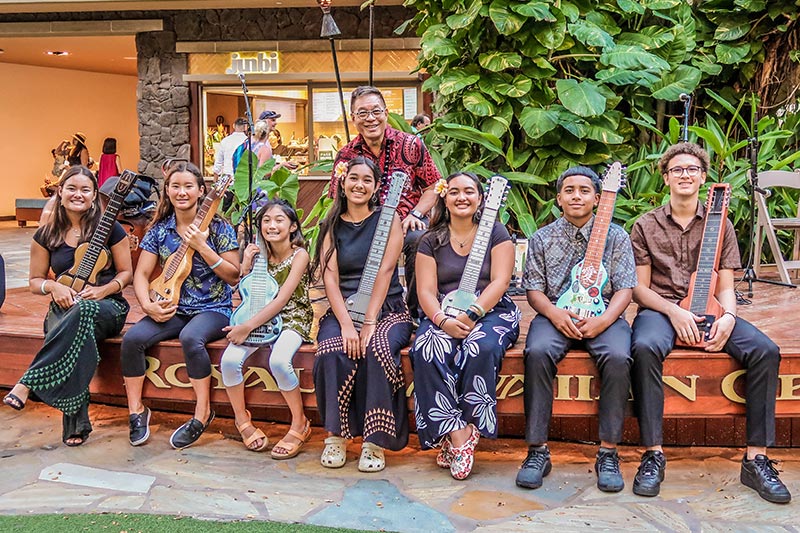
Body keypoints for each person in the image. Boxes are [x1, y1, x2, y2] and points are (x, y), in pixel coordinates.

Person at [629, 142, 791, 503]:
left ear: (703, 177)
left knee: (765, 350)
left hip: (712, 307)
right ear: (666, 177)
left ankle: (756, 459)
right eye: (677, 170)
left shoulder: (722, 224)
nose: (684, 175)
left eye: (691, 169)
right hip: (661, 309)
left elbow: (728, 285)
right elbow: (639, 290)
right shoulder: (645, 225)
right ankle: (653, 454)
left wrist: (729, 317)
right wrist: (675, 312)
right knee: (643, 347)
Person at [515, 166, 637, 492]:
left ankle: (608, 452)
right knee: (537, 352)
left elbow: (625, 289)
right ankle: (537, 450)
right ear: (558, 198)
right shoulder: (542, 238)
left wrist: (605, 320)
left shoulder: (617, 236)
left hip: (604, 315)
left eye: (584, 190)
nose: (576, 196)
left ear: (598, 198)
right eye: (569, 190)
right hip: (556, 314)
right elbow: (534, 290)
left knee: (618, 357)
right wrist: (555, 315)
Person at [2, 166, 132, 446]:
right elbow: (36, 281)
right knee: (78, 329)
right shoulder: (46, 235)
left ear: (95, 195)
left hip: (108, 307)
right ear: (59, 192)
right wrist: (54, 286)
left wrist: (103, 290)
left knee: (81, 313)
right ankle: (77, 425)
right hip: (65, 306)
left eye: (86, 190)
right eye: (71, 188)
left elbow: (126, 274)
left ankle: (28, 383)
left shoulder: (110, 227)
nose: (78, 194)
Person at [120, 161, 239, 449]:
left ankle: (202, 412)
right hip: (171, 306)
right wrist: (147, 305)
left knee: (191, 338)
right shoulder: (160, 229)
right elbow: (142, 274)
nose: (182, 192)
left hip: (213, 308)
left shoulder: (219, 227)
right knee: (132, 339)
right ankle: (136, 411)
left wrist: (203, 247)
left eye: (188, 186)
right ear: (167, 191)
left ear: (201, 191)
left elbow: (234, 274)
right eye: (176, 186)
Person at [410, 171, 520, 480]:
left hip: (491, 310)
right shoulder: (429, 240)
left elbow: (500, 282)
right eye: (455, 191)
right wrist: (443, 321)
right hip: (442, 312)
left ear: (481, 198)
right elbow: (425, 292)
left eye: (469, 191)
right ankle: (458, 434)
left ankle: (471, 426)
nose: (462, 197)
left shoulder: (497, 233)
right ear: (444, 197)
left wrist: (472, 315)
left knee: (479, 347)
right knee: (428, 348)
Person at [313, 156, 413, 472]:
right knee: (331, 350)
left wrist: (369, 321)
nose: (359, 185)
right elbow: (330, 276)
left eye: (367, 180)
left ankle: (374, 442)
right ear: (342, 182)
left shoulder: (389, 219)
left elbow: (385, 272)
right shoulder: (331, 223)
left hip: (387, 309)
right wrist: (345, 324)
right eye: (353, 178)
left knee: (378, 349)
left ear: (376, 187)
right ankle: (335, 436)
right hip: (343, 309)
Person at [328, 86, 442, 319]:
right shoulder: (346, 156)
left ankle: (416, 312)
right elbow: (336, 197)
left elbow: (434, 186)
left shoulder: (410, 144)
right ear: (352, 118)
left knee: (418, 240)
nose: (370, 118)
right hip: (362, 226)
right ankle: (355, 308)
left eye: (376, 111)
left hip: (405, 223)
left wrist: (416, 214)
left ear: (386, 113)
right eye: (362, 113)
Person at [220, 199, 313, 458]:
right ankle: (242, 421)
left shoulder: (300, 255)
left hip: (291, 317)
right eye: (266, 221)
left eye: (279, 220)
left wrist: (246, 327)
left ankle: (299, 423)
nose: (272, 226)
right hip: (256, 315)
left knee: (280, 361)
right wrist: (246, 265)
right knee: (228, 361)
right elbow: (243, 291)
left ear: (293, 226)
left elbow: (283, 299)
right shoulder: (259, 255)